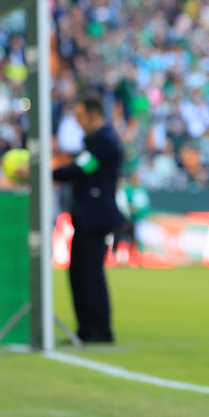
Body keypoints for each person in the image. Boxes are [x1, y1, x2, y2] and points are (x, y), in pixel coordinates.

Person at [48, 96, 126, 343]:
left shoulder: (104, 142)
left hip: (95, 218)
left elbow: (81, 169)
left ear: (94, 115)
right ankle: (85, 328)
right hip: (85, 217)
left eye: (81, 116)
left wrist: (45, 173)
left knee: (91, 274)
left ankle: (100, 330)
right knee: (79, 274)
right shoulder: (95, 142)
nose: (78, 123)